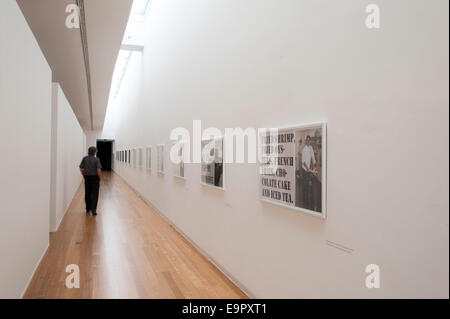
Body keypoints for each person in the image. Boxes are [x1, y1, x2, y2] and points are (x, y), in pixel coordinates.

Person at [79, 146, 102, 216]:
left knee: (87, 193)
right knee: (95, 194)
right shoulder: (96, 159)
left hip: (87, 178)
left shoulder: (84, 158)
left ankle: (87, 209)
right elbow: (98, 170)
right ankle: (93, 210)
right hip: (95, 178)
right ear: (94, 152)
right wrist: (99, 178)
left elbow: (81, 168)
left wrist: (84, 175)